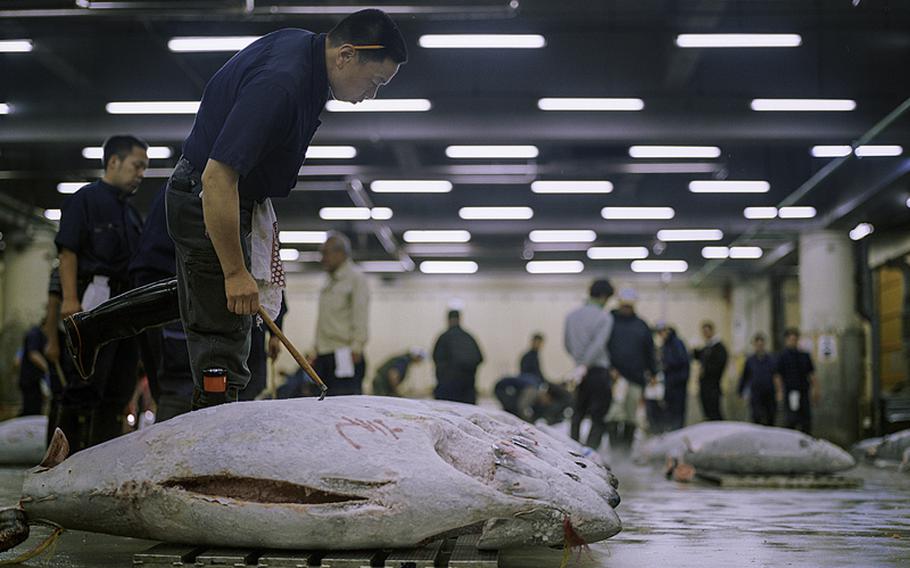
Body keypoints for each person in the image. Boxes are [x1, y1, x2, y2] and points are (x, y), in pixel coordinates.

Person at [161, 10, 406, 407]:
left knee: (206, 306)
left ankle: (97, 327)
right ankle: (216, 461)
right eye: (374, 82)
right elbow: (217, 179)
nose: (370, 95)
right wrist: (237, 271)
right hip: (209, 200)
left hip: (231, 199)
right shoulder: (282, 84)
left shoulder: (303, 50)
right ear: (345, 55)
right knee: (221, 341)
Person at [55, 134, 148, 449]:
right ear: (113, 161)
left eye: (145, 168)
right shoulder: (85, 200)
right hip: (94, 299)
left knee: (118, 389)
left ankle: (98, 463)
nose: (141, 174)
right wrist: (70, 299)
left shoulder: (132, 213)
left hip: (127, 305)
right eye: (137, 166)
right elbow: (67, 252)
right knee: (84, 385)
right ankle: (60, 463)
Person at [314, 232, 370, 396]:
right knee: (325, 405)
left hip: (345, 354)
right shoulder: (329, 281)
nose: (322, 258)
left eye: (325, 253)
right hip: (325, 354)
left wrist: (357, 347)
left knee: (345, 406)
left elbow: (360, 315)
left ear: (340, 253)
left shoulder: (356, 278)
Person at [564, 279, 615, 451]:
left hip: (579, 372)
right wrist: (586, 364)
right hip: (598, 371)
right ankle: (590, 455)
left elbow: (567, 344)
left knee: (578, 413)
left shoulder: (571, 316)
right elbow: (598, 344)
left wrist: (579, 364)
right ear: (603, 296)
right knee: (599, 416)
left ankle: (572, 451)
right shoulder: (604, 317)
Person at [606, 288, 656, 449]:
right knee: (613, 415)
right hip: (614, 379)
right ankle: (614, 452)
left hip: (635, 378)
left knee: (630, 417)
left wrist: (653, 372)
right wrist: (608, 368)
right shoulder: (609, 321)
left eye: (629, 306)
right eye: (624, 305)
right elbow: (602, 346)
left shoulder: (641, 325)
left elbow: (649, 350)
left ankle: (625, 453)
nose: (626, 308)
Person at [433, 310, 484, 404]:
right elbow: (480, 358)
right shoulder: (469, 337)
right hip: (467, 389)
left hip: (447, 390)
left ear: (448, 320)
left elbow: (436, 359)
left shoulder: (443, 337)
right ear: (460, 319)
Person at [773, 328, 819, 433]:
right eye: (791, 339)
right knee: (791, 419)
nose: (793, 341)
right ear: (786, 340)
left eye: (795, 339)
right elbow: (777, 375)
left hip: (803, 390)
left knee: (806, 419)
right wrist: (779, 391)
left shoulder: (804, 356)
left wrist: (816, 389)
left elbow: (811, 374)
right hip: (790, 391)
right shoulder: (782, 357)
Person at [692, 320, 728, 421]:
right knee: (707, 412)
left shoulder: (719, 348)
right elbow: (698, 356)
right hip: (704, 385)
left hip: (713, 385)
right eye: (703, 332)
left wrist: (705, 370)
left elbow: (719, 365)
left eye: (707, 331)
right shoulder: (707, 347)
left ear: (712, 331)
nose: (705, 334)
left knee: (714, 412)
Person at [738, 332, 776, 426]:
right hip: (756, 393)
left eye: (761, 344)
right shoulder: (750, 360)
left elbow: (776, 375)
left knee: (770, 417)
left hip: (769, 392)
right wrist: (741, 391)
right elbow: (745, 376)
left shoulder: (771, 359)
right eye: (757, 344)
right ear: (754, 345)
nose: (759, 346)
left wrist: (779, 391)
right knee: (756, 416)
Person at [657, 324, 690, 431]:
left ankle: (677, 431)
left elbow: (681, 360)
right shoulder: (667, 344)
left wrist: (666, 364)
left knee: (677, 409)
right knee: (669, 409)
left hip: (677, 382)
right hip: (671, 382)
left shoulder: (676, 343)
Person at [17, 322, 48, 416]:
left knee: (32, 408)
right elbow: (33, 354)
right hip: (30, 380)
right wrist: (48, 369)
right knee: (31, 411)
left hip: (33, 380)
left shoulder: (38, 334)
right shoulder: (35, 333)